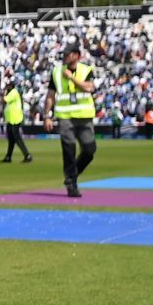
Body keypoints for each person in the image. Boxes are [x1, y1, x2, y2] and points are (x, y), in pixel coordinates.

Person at [52, 41, 98, 199]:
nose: (65, 56)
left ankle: (72, 176)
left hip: (84, 117)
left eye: (68, 54)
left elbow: (89, 87)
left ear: (77, 56)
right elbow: (50, 95)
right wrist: (46, 115)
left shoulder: (86, 70)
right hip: (65, 117)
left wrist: (71, 78)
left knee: (89, 150)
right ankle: (71, 184)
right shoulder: (57, 72)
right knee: (69, 151)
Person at [0, 78, 32, 163]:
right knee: (11, 139)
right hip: (11, 119)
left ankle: (27, 155)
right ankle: (8, 156)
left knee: (17, 138)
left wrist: (4, 92)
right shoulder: (12, 93)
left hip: (15, 119)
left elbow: (4, 100)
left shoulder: (14, 92)